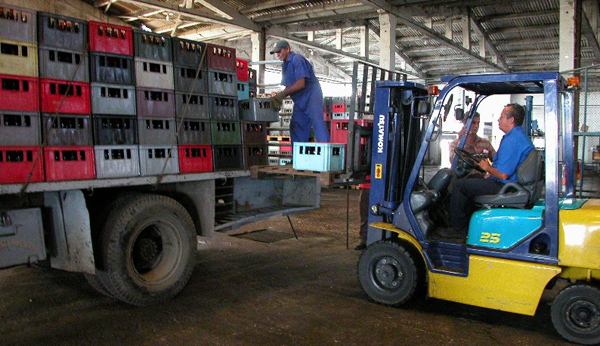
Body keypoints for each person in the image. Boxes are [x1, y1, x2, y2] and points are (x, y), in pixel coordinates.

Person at [439, 103, 534, 239]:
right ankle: (468, 224)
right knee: (470, 182)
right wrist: (490, 171)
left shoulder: (513, 140)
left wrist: (487, 168)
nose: (498, 120)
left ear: (511, 120)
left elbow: (503, 174)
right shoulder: (515, 137)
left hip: (505, 185)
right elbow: (501, 164)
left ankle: (457, 229)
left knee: (459, 186)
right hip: (506, 182)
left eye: (501, 117)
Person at [270, 40, 330, 147]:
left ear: (287, 49)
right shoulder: (285, 65)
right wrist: (278, 94)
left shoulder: (297, 60)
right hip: (299, 100)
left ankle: (327, 155)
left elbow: (301, 83)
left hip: (311, 96)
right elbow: (289, 86)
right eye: (276, 52)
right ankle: (297, 158)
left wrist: (282, 95)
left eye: (279, 51)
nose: (278, 54)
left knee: (317, 123)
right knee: (296, 126)